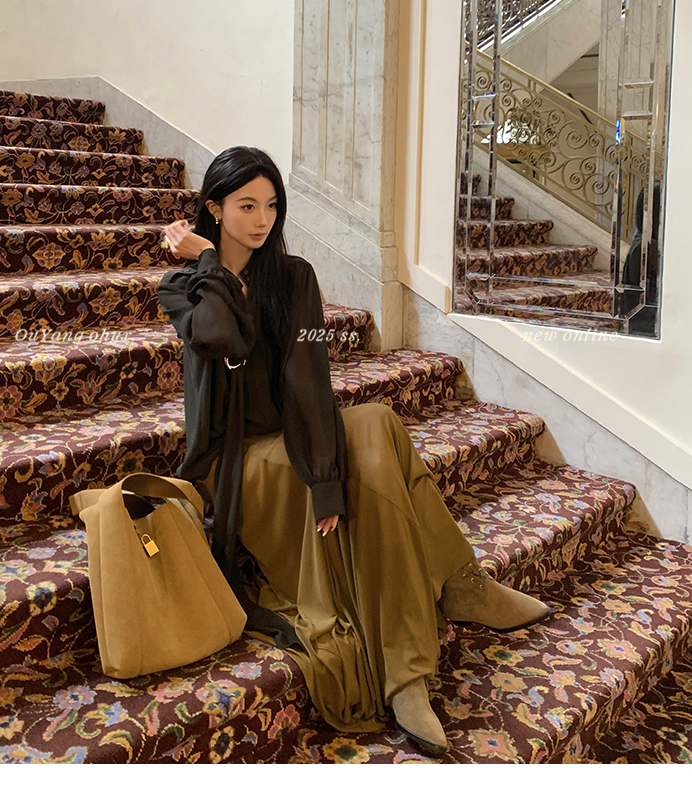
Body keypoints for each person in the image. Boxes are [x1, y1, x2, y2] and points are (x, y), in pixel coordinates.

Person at [156, 146, 549, 755]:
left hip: (292, 438)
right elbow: (220, 336)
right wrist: (209, 259)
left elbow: (306, 375)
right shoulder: (184, 286)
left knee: (378, 423)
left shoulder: (294, 278)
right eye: (246, 206)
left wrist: (323, 477)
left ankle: (435, 628)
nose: (263, 220)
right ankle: (433, 629)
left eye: (271, 205)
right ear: (214, 209)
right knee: (374, 459)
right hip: (238, 461)